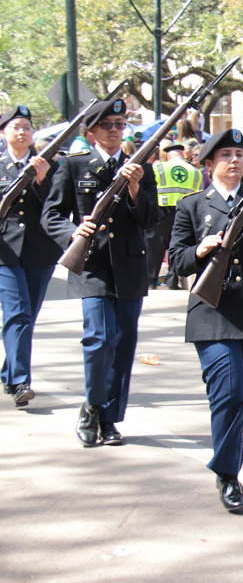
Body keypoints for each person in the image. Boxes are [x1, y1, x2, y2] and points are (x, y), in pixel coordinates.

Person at [168, 129, 243, 512]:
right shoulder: (192, 205)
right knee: (231, 393)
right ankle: (227, 473)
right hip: (212, 310)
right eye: (225, 155)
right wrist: (199, 250)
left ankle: (229, 469)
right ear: (208, 165)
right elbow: (175, 259)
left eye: (240, 154)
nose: (235, 161)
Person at [41, 98, 158, 446]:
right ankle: (93, 405)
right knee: (99, 339)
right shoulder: (74, 166)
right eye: (107, 125)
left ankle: (109, 418)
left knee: (123, 344)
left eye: (120, 126)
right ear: (91, 132)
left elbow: (151, 220)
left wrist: (135, 188)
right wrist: (71, 234)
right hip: (92, 265)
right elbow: (52, 215)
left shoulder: (141, 169)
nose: (114, 131)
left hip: (130, 265)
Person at [0, 106, 61, 408]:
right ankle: (19, 380)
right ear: (4, 133)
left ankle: (9, 368)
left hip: (39, 249)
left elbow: (57, 207)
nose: (21, 132)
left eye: (26, 126)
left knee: (28, 315)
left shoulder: (48, 165)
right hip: (4, 251)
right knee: (18, 312)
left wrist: (42, 180)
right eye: (15, 127)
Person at [146, 141, 202, 290]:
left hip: (161, 211)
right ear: (183, 154)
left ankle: (150, 280)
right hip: (184, 212)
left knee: (154, 246)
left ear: (168, 154)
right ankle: (172, 280)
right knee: (177, 246)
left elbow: (150, 187)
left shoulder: (159, 167)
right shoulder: (194, 171)